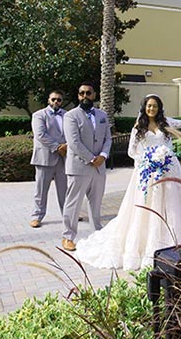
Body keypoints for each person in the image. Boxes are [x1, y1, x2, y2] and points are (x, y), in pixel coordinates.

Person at [75, 94, 181, 270]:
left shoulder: (167, 122)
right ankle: (145, 246)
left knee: (172, 205)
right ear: (144, 107)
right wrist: (148, 160)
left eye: (154, 106)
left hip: (169, 170)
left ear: (159, 107)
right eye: (149, 106)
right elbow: (132, 152)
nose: (151, 109)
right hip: (147, 172)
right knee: (147, 206)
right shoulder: (138, 126)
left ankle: (176, 242)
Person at [61, 82, 112, 252]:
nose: (85, 96)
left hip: (99, 167)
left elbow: (108, 139)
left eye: (88, 93)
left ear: (94, 95)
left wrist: (103, 156)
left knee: (96, 203)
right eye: (81, 93)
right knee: (73, 203)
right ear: (78, 96)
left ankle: (97, 233)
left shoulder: (102, 115)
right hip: (79, 167)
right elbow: (74, 143)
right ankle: (68, 237)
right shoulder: (71, 116)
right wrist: (92, 159)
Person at [29, 90, 68, 228]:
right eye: (53, 99)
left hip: (63, 158)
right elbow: (40, 135)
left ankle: (67, 215)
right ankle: (37, 216)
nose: (56, 102)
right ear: (48, 100)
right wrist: (58, 147)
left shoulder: (67, 115)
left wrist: (67, 146)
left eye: (59, 100)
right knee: (41, 190)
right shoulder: (38, 115)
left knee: (65, 190)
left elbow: (71, 133)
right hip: (44, 158)